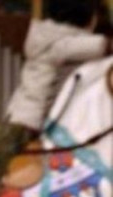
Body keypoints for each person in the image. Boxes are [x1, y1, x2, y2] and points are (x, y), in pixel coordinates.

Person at [6, 0, 112, 140]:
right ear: (86, 18)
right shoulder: (61, 43)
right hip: (34, 122)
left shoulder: (45, 36)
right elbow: (100, 46)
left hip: (20, 114)